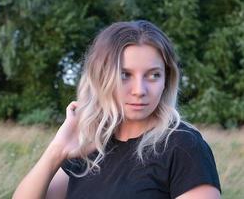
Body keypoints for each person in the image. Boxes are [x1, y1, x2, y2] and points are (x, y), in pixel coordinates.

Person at [12, 20, 221, 199]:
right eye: (125, 75)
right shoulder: (90, 145)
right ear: (101, 78)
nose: (140, 90)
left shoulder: (184, 146)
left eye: (153, 75)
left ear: (167, 80)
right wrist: (57, 151)